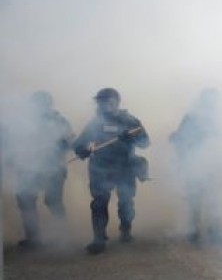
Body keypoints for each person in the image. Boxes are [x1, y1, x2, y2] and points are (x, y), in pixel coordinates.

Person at [73, 88, 150, 255]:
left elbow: (146, 143)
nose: (102, 105)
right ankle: (98, 239)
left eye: (106, 101)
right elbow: (79, 143)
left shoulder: (130, 121)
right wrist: (83, 149)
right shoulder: (95, 123)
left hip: (124, 167)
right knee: (99, 203)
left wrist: (133, 137)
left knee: (126, 202)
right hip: (100, 167)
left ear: (116, 102)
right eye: (100, 101)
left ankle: (125, 230)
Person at [1, 91, 73, 249]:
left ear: (49, 105)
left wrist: (62, 144)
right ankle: (33, 239)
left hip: (53, 169)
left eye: (43, 104)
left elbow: (70, 141)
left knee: (53, 201)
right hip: (28, 168)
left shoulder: (59, 121)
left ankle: (62, 237)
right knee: (26, 201)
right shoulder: (22, 122)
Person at [170, 89, 222, 244]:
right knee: (195, 199)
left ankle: (214, 231)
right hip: (194, 165)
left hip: (212, 165)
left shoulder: (218, 120)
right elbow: (181, 139)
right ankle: (193, 231)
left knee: (213, 200)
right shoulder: (191, 118)